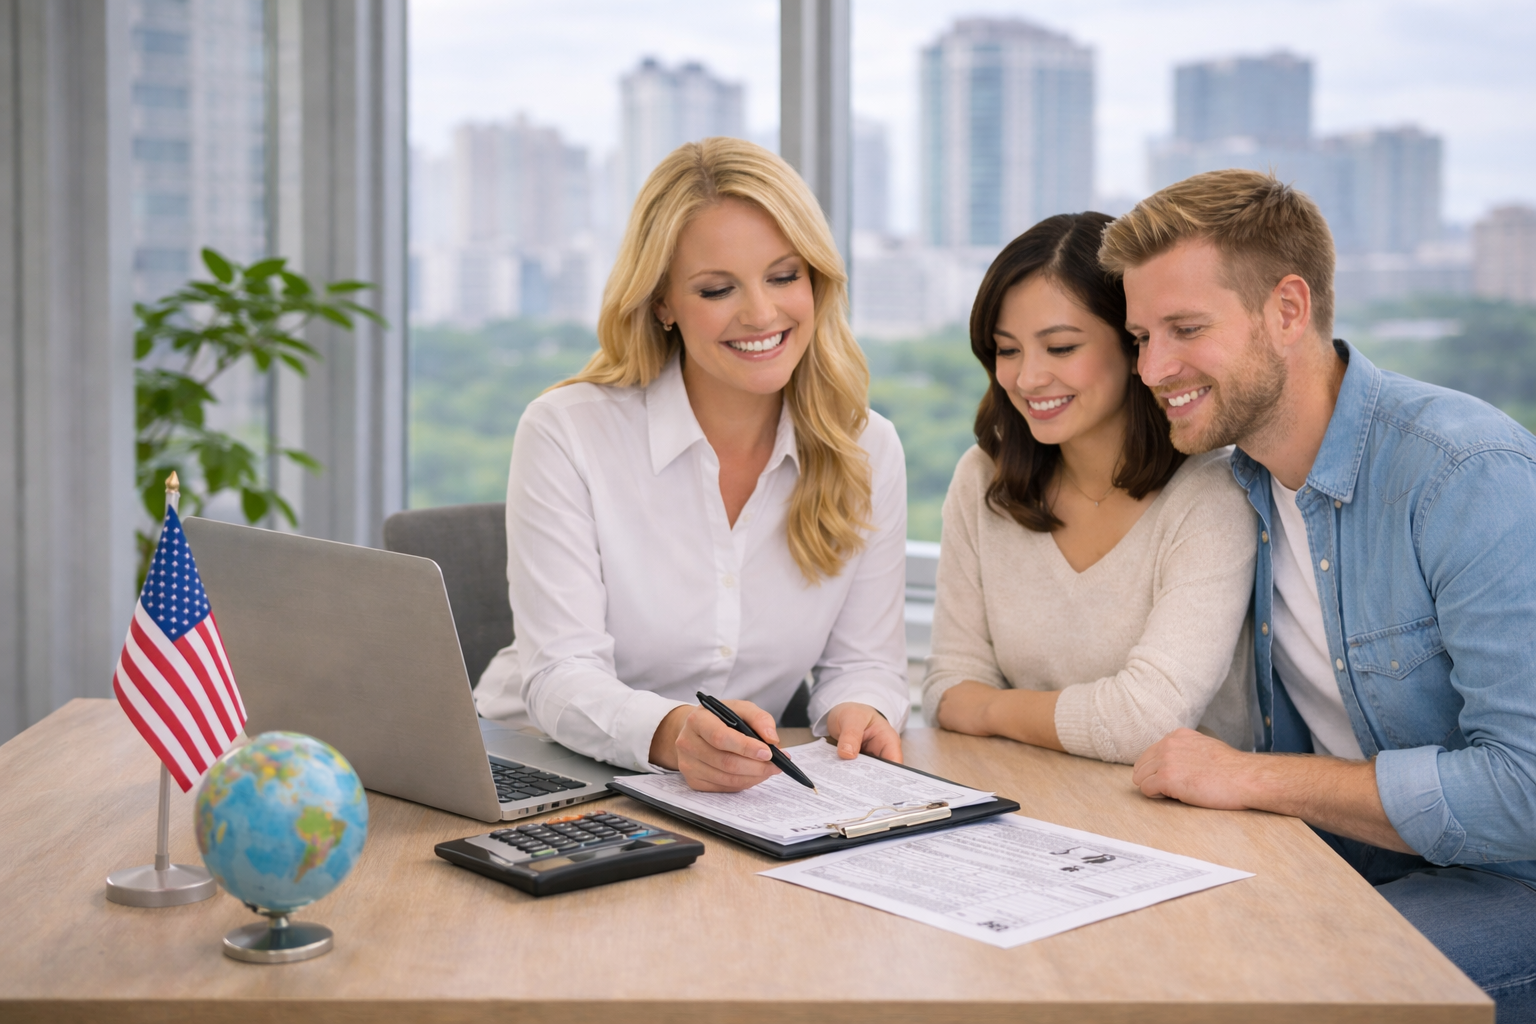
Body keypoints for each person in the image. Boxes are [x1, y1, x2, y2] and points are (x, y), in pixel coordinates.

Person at [1104, 168, 1536, 1018]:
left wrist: (1251, 778)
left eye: (1185, 329)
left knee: (1257, 995)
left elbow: (1525, 793)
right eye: (1140, 336)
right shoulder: (1240, 489)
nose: (1152, 368)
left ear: (1288, 310)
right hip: (1363, 863)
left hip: (1511, 882)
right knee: (1119, 962)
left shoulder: (1465, 475)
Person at [474, 137, 909, 793]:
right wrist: (672, 733)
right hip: (533, 769)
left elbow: (863, 661)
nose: (761, 313)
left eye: (784, 276)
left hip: (728, 796)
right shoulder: (567, 431)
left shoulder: (867, 449)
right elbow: (558, 674)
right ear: (662, 304)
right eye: (716, 288)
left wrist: (859, 712)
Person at [921, 212, 1257, 765]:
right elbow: (946, 688)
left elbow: (1146, 722)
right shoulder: (984, 478)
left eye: (1060, 348)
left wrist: (989, 710)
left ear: (1133, 348)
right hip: (1028, 811)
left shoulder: (1212, 495)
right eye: (1008, 350)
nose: (1027, 379)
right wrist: (982, 705)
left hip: (1184, 831)